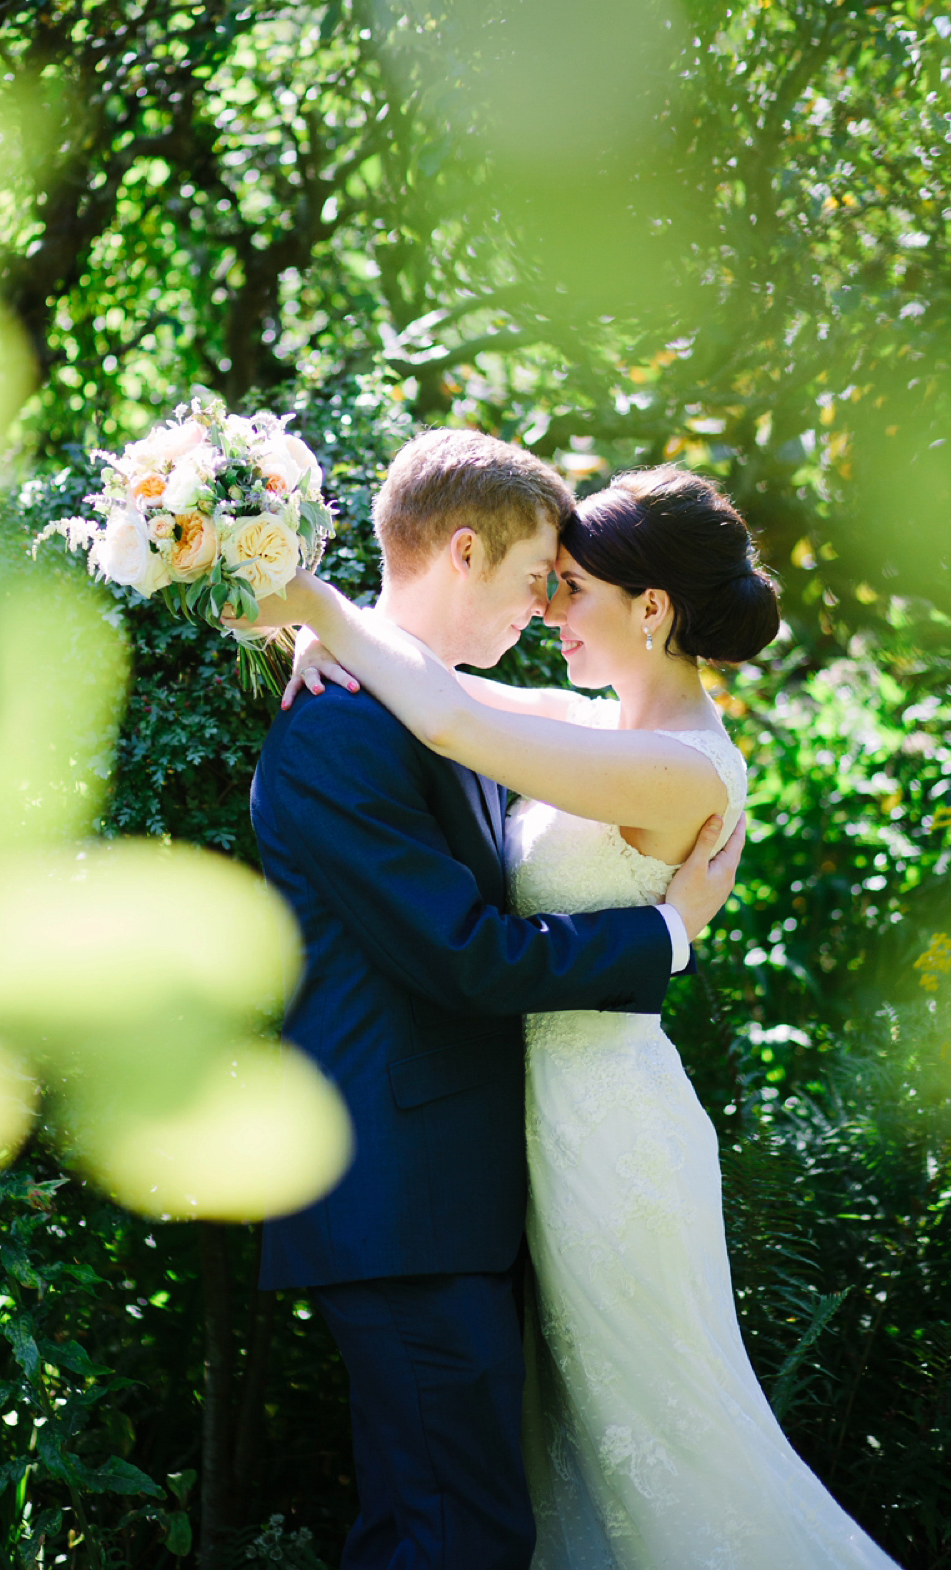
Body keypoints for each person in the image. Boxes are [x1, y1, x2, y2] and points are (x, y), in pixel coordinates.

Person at [263, 456, 901, 1570]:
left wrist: (312, 603)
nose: (551, 610)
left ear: (651, 609)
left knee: (659, 1457)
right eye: (542, 582)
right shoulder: (588, 722)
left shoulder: (677, 768)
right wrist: (342, 635)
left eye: (572, 589)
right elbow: (445, 691)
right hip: (507, 1160)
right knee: (522, 1497)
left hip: (608, 1140)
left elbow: (454, 721)